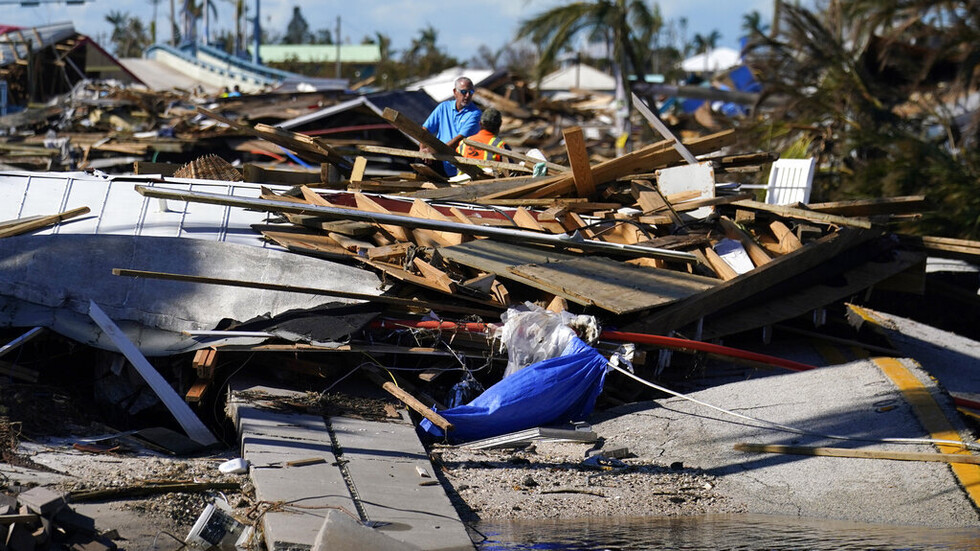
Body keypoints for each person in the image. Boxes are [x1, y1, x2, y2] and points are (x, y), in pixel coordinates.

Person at [421, 76, 481, 177]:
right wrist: (422, 149)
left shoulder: (475, 113)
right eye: (463, 92)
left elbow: (459, 139)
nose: (467, 95)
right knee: (419, 161)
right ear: (455, 92)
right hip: (439, 157)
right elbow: (425, 130)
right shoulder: (443, 107)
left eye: (470, 92)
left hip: (458, 164)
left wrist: (433, 152)